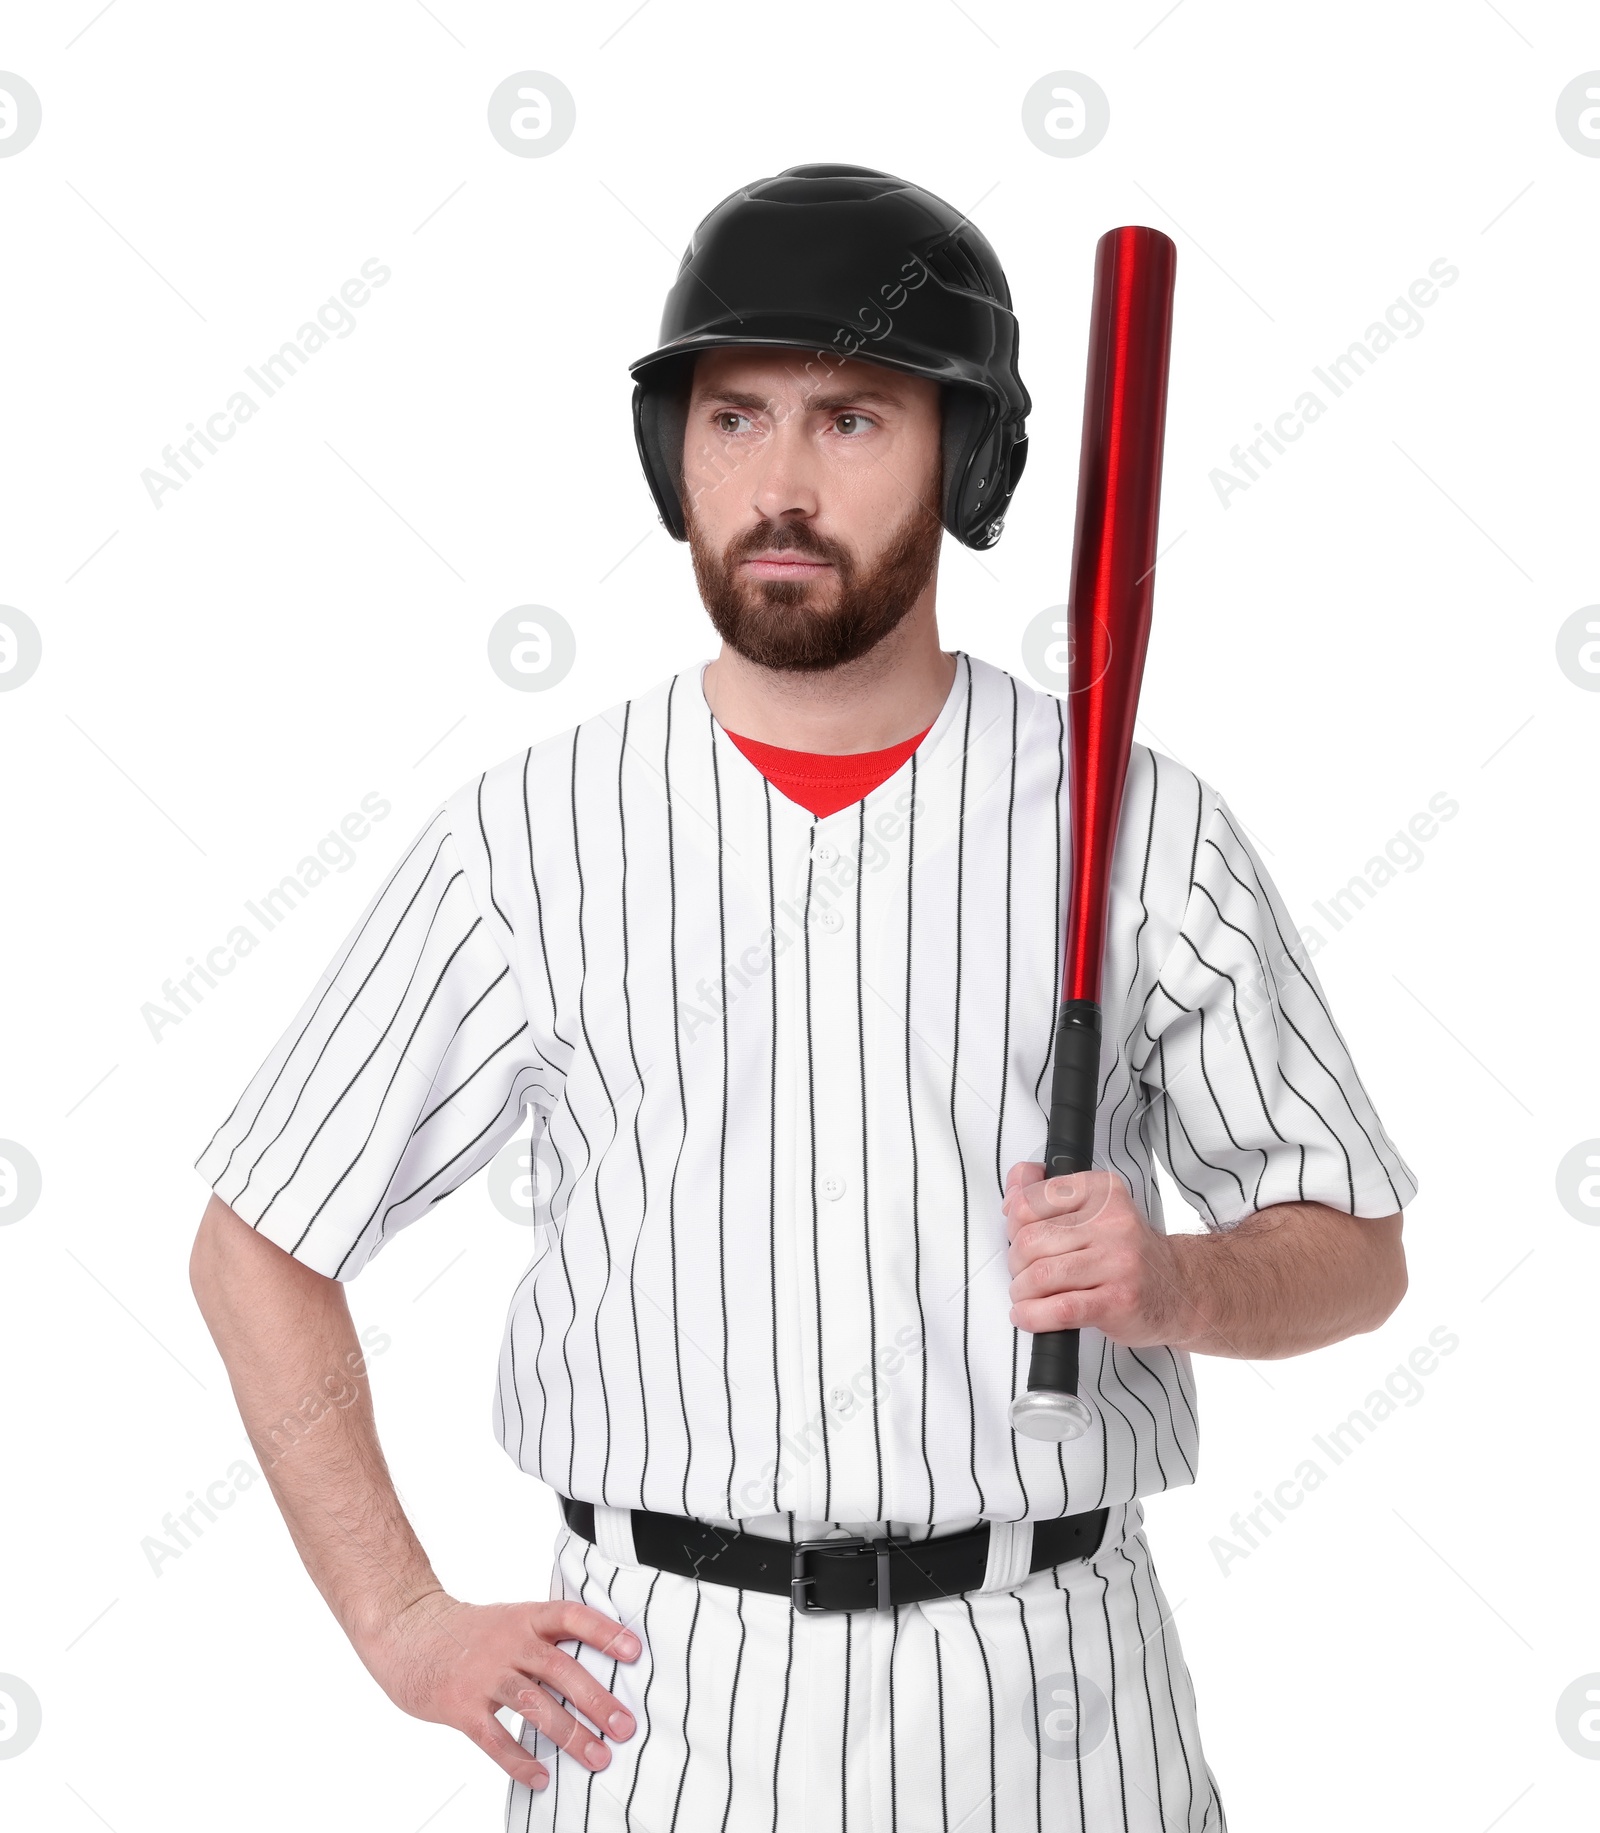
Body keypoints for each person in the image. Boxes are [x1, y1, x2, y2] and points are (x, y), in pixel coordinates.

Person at [189, 165, 1416, 1831]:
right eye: (733, 418)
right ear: (672, 455)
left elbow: (1353, 1245)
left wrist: (1178, 1279)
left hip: (1053, 1699)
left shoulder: (1140, 821)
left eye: (850, 421)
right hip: (660, 1707)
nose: (778, 482)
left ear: (965, 460)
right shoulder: (531, 835)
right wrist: (405, 1622)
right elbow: (258, 1239)